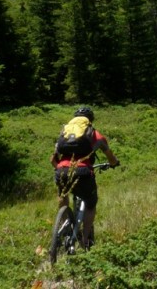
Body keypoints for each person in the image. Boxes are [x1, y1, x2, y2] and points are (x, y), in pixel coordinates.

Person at [50, 106, 120, 248]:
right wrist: (114, 163)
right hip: (83, 172)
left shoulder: (64, 133)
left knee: (63, 195)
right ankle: (85, 238)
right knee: (90, 204)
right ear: (90, 121)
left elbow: (52, 160)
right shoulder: (95, 135)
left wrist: (61, 169)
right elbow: (110, 157)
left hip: (61, 170)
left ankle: (65, 225)